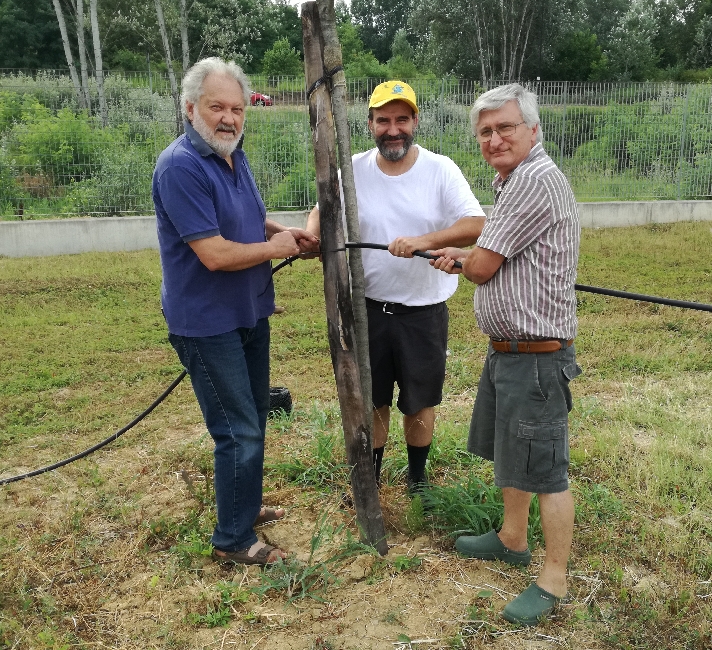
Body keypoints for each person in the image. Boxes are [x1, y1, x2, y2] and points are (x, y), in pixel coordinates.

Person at [152, 57, 318, 566]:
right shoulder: (180, 165)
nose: (228, 118)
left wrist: (283, 232)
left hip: (247, 311)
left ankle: (242, 510)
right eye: (216, 107)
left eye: (237, 109)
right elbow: (215, 252)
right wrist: (279, 249)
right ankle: (233, 541)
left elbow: (248, 219)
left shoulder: (232, 155)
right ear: (189, 108)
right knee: (236, 428)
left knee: (253, 421)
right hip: (206, 323)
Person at [430, 83, 581, 625]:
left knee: (547, 469)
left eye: (506, 128)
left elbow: (485, 266)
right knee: (513, 454)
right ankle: (512, 538)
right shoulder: (513, 182)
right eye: (486, 132)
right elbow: (495, 252)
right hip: (512, 352)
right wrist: (464, 254)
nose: (495, 139)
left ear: (532, 130)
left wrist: (461, 261)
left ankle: (555, 578)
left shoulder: (533, 180)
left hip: (538, 358)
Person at [306, 80, 485, 496]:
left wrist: (425, 241)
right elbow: (321, 210)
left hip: (423, 311)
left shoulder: (440, 170)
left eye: (401, 119)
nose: (393, 129)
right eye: (383, 120)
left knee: (420, 400)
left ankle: (418, 480)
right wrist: (311, 237)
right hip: (367, 309)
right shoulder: (353, 171)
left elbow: (475, 224)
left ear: (415, 121)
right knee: (372, 398)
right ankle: (371, 476)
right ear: (370, 124)